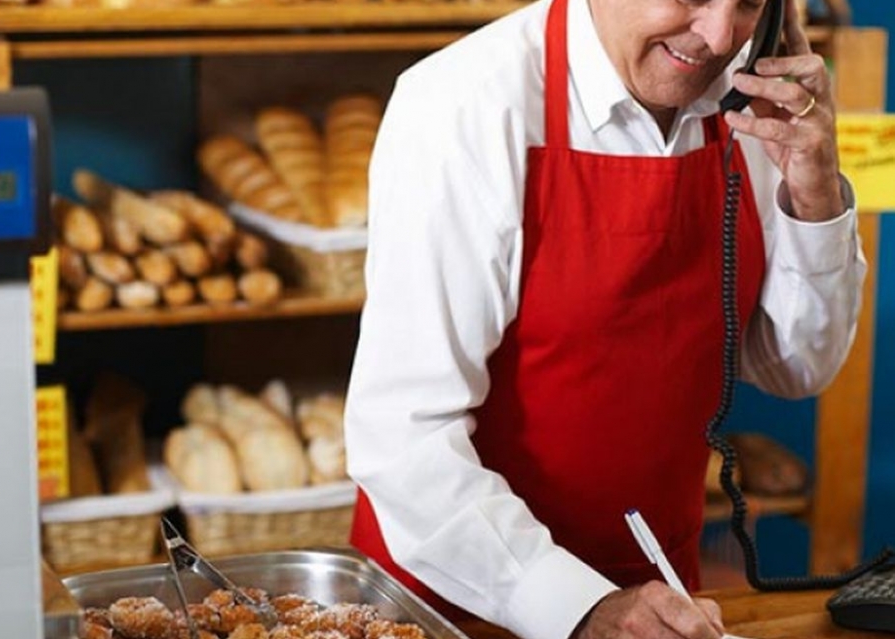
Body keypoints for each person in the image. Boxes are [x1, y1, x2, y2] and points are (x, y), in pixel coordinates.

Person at [343, 0, 864, 638]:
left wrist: (815, 193)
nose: (718, 36)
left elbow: (797, 368)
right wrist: (578, 606)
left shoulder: (755, 108)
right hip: (459, 600)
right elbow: (403, 438)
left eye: (750, 3)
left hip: (659, 593)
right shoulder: (461, 104)